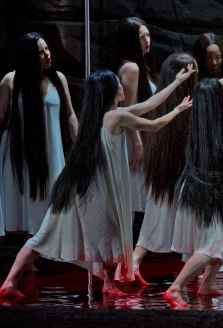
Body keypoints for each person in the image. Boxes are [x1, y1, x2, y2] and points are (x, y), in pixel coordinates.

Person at [0, 65, 195, 298]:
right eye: (117, 83)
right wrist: (178, 110)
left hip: (77, 188)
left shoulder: (102, 116)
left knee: (49, 236)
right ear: (109, 90)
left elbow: (149, 104)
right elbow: (153, 124)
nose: (122, 85)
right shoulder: (115, 116)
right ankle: (12, 283)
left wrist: (175, 82)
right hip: (87, 193)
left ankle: (106, 285)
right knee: (102, 233)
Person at [163, 78, 223, 307]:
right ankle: (175, 288)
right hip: (211, 193)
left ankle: (206, 286)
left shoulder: (199, 129)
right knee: (212, 246)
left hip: (199, 189)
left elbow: (220, 110)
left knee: (217, 240)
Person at [0, 33, 77, 243]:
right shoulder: (11, 80)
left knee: (52, 197)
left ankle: (41, 251)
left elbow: (70, 115)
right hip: (20, 150)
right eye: (40, 52)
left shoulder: (58, 78)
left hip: (52, 149)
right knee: (23, 199)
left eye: (47, 49)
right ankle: (27, 253)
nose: (47, 55)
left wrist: (81, 145)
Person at [132, 53, 199, 285]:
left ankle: (135, 261)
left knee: (157, 213)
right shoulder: (185, 103)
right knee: (181, 214)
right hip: (178, 169)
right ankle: (191, 266)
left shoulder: (162, 102)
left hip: (165, 169)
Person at [115, 16, 158, 214]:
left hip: (139, 136)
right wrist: (138, 145)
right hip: (131, 140)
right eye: (142, 37)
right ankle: (126, 245)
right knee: (130, 198)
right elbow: (128, 109)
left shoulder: (143, 66)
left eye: (148, 35)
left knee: (135, 198)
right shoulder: (131, 68)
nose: (147, 40)